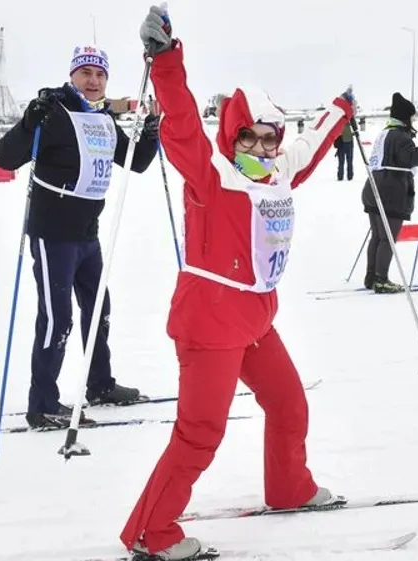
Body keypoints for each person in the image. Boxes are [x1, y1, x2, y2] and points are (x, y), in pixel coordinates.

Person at [119, 6, 356, 560]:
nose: (265, 149)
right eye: (251, 140)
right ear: (233, 137)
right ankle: (153, 535)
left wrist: (342, 108)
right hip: (209, 322)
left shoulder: (277, 172)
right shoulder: (211, 175)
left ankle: (289, 487)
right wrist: (164, 59)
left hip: (254, 319)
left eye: (270, 139)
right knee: (200, 432)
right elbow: (178, 123)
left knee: (290, 404)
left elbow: (313, 145)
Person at [0, 43, 160, 430]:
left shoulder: (101, 119)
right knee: (57, 318)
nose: (93, 81)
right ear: (72, 75)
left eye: (100, 75)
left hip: (88, 234)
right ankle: (44, 404)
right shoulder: (54, 112)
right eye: (86, 73)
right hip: (54, 234)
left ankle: (99, 384)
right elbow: (4, 158)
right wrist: (28, 122)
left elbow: (134, 162)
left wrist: (152, 131)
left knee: (98, 307)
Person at [361, 92, 418, 293]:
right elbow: (413, 158)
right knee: (387, 238)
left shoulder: (385, 133)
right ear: (405, 117)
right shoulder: (400, 137)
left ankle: (372, 276)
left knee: (378, 237)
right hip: (390, 193)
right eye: (411, 117)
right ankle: (381, 280)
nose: (413, 121)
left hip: (373, 189)